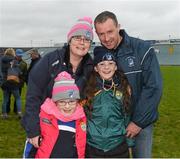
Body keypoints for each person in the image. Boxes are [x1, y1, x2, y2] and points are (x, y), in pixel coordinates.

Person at [94, 11, 162, 158]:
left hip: (140, 123)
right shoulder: (99, 56)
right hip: (111, 125)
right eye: (101, 34)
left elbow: (153, 88)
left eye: (110, 31)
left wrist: (138, 122)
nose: (106, 38)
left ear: (118, 27)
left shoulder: (142, 49)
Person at [21, 16, 93, 147]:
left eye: (87, 39)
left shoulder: (91, 68)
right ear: (69, 40)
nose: (82, 42)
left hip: (72, 130)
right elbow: (33, 94)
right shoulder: (50, 61)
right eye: (77, 38)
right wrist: (33, 130)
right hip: (46, 125)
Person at [84, 46, 134, 158]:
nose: (106, 67)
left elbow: (127, 117)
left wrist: (129, 143)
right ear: (96, 68)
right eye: (102, 64)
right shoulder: (87, 89)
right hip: (93, 146)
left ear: (116, 67)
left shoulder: (124, 88)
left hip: (118, 146)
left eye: (110, 63)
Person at [23, 71, 86, 158]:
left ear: (77, 101)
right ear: (55, 102)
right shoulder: (43, 118)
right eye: (62, 102)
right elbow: (31, 144)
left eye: (71, 101)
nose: (67, 106)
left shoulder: (82, 119)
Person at [1, 48, 22, 119]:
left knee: (5, 99)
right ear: (13, 53)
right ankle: (19, 113)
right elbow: (19, 72)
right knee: (18, 98)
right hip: (14, 82)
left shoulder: (1, 60)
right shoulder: (15, 60)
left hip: (5, 82)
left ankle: (4, 114)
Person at [6, 48, 27, 114]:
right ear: (16, 55)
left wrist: (21, 81)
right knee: (8, 97)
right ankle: (7, 110)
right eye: (18, 55)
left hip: (18, 83)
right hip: (9, 82)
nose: (19, 57)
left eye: (21, 55)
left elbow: (25, 74)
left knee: (17, 98)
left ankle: (16, 110)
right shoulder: (10, 61)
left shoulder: (24, 64)